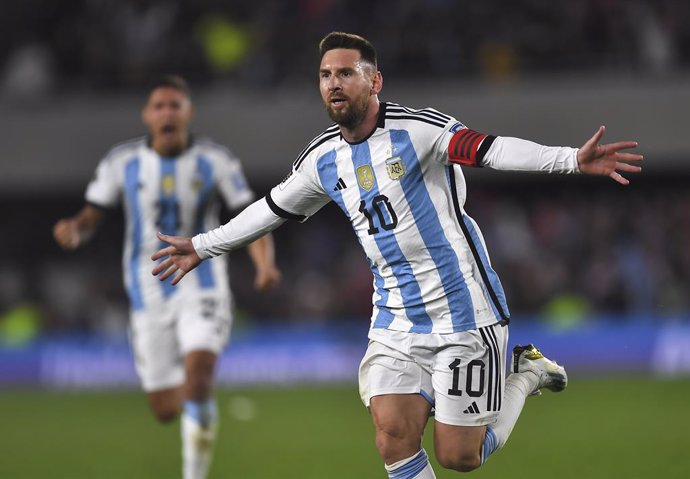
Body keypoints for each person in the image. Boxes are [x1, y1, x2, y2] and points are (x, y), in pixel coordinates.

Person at [151, 33, 642, 478]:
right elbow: (270, 210)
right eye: (325, 75)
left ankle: (528, 372)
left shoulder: (420, 131)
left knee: (459, 457)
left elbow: (490, 149)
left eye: (345, 73)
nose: (333, 84)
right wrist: (201, 245)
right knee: (392, 437)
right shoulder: (323, 159)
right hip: (396, 320)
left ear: (374, 80)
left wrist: (568, 160)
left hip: (463, 312)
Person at [53, 75, 281, 479]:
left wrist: (263, 264)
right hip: (147, 291)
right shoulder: (121, 162)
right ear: (147, 115)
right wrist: (76, 227)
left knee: (197, 376)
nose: (167, 113)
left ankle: (194, 460)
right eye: (159, 106)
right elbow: (92, 214)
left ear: (188, 112)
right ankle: (199, 406)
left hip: (203, 279)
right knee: (163, 410)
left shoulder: (216, 160)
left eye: (175, 105)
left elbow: (251, 217)